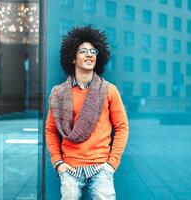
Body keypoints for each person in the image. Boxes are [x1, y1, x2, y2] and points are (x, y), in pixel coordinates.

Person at [45, 26, 129, 200]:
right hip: (70, 168)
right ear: (73, 58)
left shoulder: (109, 90)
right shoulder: (59, 94)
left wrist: (111, 164)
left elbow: (122, 127)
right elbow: (51, 130)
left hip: (101, 168)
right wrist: (57, 162)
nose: (89, 54)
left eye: (93, 51)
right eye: (83, 51)